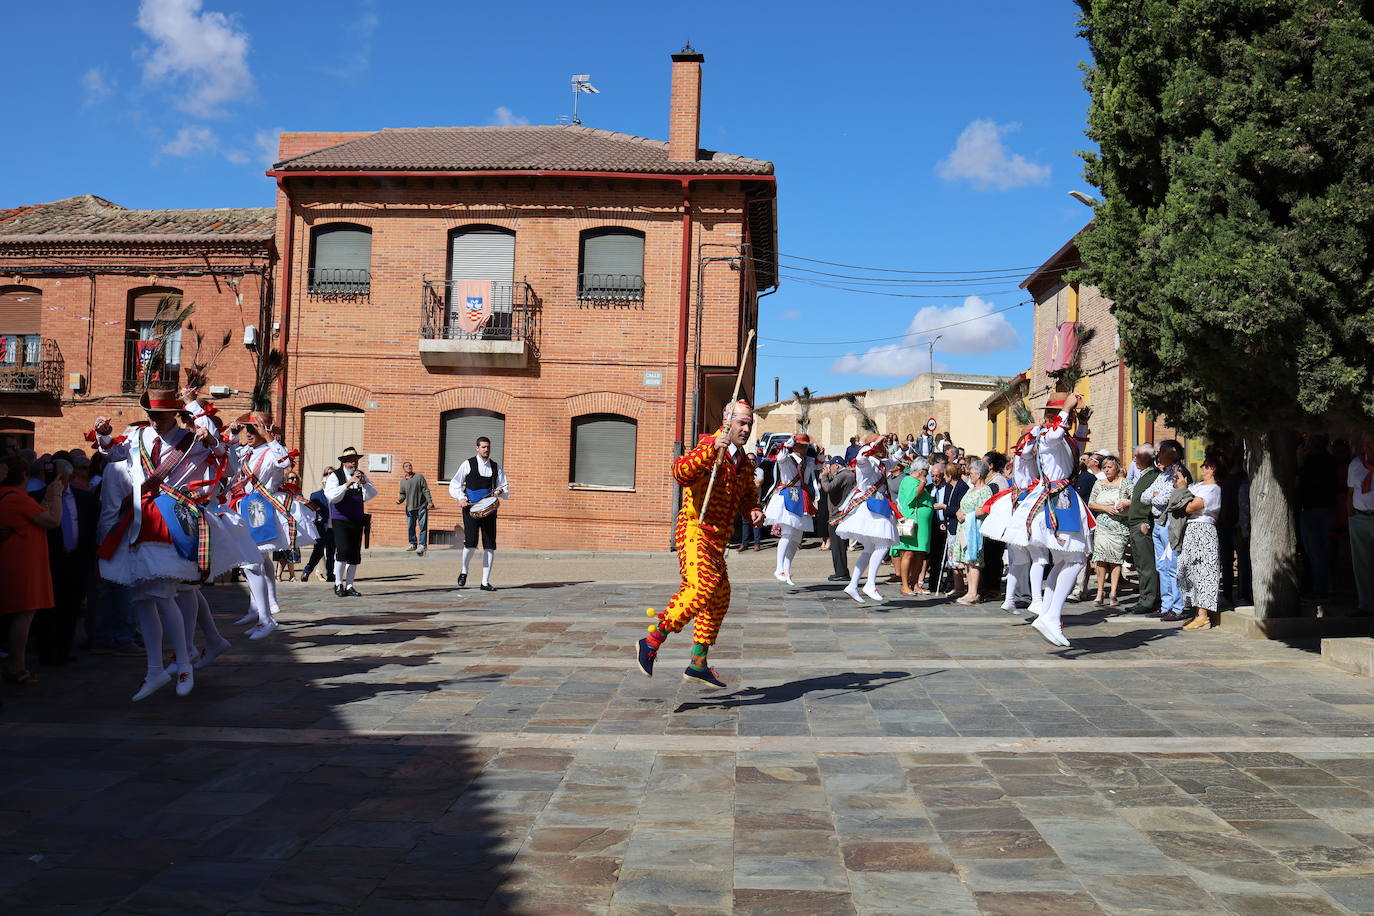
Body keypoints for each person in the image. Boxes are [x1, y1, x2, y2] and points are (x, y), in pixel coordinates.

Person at [93, 388, 234, 700]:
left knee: (165, 592)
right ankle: (155, 669)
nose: (155, 420)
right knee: (143, 597)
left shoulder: (191, 440)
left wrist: (212, 442)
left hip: (173, 520)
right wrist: (104, 437)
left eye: (161, 414)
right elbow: (114, 456)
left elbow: (227, 462)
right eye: (151, 414)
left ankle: (184, 662)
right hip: (142, 519)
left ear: (174, 413)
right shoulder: (138, 436)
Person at [637, 400, 763, 689]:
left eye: (749, 425)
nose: (746, 429)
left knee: (719, 598)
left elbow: (745, 497)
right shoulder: (709, 445)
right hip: (695, 530)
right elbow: (680, 472)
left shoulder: (744, 462)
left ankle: (698, 663)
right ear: (727, 420)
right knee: (701, 587)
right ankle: (651, 641)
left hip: (718, 539)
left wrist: (753, 510)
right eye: (742, 423)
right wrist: (709, 450)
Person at [1007, 392, 1094, 646]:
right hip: (1059, 499)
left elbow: (1078, 445)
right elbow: (1056, 433)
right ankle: (1052, 616)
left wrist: (1084, 421)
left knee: (1068, 558)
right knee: (1076, 558)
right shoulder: (1047, 436)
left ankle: (1047, 612)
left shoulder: (1062, 437)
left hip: (1064, 496)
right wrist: (1067, 407)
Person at [228, 412, 318, 633]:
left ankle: (265, 612)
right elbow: (229, 465)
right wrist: (231, 435)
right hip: (248, 506)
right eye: (246, 429)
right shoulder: (246, 452)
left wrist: (269, 438)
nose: (248, 433)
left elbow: (285, 462)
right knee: (258, 557)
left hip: (263, 507)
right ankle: (259, 606)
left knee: (253, 558)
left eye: (253, 429)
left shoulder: (271, 450)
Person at [0, 455, 63, 687]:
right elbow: (53, 520)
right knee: (24, 614)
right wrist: (56, 492)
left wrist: (47, 498)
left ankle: (15, 664)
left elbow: (37, 516)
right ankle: (16, 666)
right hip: (22, 565)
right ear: (24, 475)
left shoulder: (12, 498)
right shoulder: (16, 498)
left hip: (19, 562)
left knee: (21, 614)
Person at [34, 458, 98, 667]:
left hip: (76, 560)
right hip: (49, 560)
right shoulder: (37, 498)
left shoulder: (85, 499)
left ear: (70, 477)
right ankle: (46, 651)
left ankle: (64, 649)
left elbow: (91, 527)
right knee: (48, 608)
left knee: (70, 607)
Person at [980, 428, 1043, 613]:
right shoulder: (1024, 459)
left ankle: (1012, 597)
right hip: (1024, 510)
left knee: (1020, 560)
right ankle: (1030, 597)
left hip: (1020, 510)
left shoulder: (1023, 460)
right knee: (1036, 557)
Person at [835, 435, 899, 603]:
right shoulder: (867, 463)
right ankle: (870, 584)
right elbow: (860, 458)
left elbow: (896, 459)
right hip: (871, 506)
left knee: (870, 547)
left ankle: (853, 584)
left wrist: (902, 447)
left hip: (879, 506)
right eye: (882, 445)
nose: (884, 447)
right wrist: (872, 444)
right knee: (884, 544)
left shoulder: (882, 463)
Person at [450, 436, 510, 591]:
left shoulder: (496, 467)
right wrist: (461, 498)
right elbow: (455, 483)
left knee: (490, 546)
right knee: (470, 543)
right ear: (477, 448)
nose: (486, 450)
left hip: (489, 510)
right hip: (470, 509)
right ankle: (464, 570)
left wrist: (500, 490)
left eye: (488, 447)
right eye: (483, 447)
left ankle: (485, 582)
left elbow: (503, 485)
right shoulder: (467, 464)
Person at [1142, 439, 1188, 621]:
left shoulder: (1179, 473)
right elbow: (1145, 496)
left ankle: (1177, 607)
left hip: (1170, 522)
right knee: (1161, 566)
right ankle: (1165, 605)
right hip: (1157, 523)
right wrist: (1156, 496)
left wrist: (1156, 496)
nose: (1158, 455)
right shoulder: (1163, 474)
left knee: (1172, 566)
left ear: (1173, 453)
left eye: (1161, 451)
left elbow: (1169, 499)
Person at [1178, 454, 1225, 630]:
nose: (1202, 468)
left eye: (1206, 465)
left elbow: (1191, 506)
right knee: (1187, 570)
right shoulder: (1197, 486)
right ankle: (1196, 612)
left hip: (1204, 529)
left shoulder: (1213, 489)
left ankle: (1203, 616)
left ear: (1213, 468)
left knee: (1203, 570)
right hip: (1191, 529)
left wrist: (1183, 492)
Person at [763, 434, 815, 586]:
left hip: (801, 498)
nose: (804, 448)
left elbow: (816, 465)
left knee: (796, 537)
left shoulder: (806, 462)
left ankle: (786, 570)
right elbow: (780, 457)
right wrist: (789, 442)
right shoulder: (787, 459)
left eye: (806, 446)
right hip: (787, 496)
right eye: (801, 445)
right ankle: (778, 568)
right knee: (787, 533)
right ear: (795, 445)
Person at [324, 447, 377, 597]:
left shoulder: (361, 476)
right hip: (340, 519)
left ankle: (350, 585)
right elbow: (331, 496)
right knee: (343, 551)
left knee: (354, 554)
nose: (354, 462)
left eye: (355, 460)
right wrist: (348, 483)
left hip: (357, 518)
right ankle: (338, 583)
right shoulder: (335, 476)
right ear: (344, 462)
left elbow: (372, 494)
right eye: (351, 460)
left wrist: (364, 482)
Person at [1297, 435, 1340, 600]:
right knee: (1313, 551)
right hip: (1315, 509)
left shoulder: (1318, 461)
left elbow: (1301, 480)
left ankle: (1319, 589)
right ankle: (1316, 586)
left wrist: (1300, 461)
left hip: (1317, 510)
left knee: (1316, 552)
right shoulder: (1327, 461)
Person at [1088, 455, 1131, 606]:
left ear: (1117, 468)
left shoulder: (1126, 483)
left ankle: (1113, 593)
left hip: (1119, 527)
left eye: (1109, 467)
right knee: (1100, 558)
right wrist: (1105, 508)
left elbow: (1135, 500)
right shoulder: (1099, 484)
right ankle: (1100, 592)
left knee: (1115, 559)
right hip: (1102, 527)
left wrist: (1125, 503)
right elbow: (1091, 503)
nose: (1106, 470)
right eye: (1104, 467)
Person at [952, 459, 994, 605]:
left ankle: (974, 592)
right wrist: (959, 512)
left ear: (978, 474)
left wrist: (967, 515)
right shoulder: (971, 489)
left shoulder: (985, 490)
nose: (969, 476)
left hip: (974, 529)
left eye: (971, 473)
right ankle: (969, 591)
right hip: (964, 528)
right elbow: (963, 505)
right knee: (967, 561)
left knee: (974, 561)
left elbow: (984, 509)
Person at [891, 458, 933, 596]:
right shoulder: (909, 480)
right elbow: (912, 497)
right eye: (926, 472)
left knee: (920, 554)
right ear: (921, 471)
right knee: (908, 553)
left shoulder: (919, 481)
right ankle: (905, 585)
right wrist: (922, 483)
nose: (927, 475)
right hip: (911, 523)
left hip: (922, 525)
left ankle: (915, 584)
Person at [1348, 430, 1374, 616]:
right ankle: (1365, 605)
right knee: (1361, 564)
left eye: (1371, 443)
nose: (1368, 447)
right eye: (1366, 443)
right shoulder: (1356, 464)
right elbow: (1350, 492)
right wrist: (1351, 515)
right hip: (1359, 518)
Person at [821, 456, 856, 581]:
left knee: (837, 546)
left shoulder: (843, 475)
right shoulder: (848, 475)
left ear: (836, 466)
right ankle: (841, 571)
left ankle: (841, 572)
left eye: (830, 466)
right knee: (838, 546)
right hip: (841, 514)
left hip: (838, 515)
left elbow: (828, 488)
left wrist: (824, 477)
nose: (829, 469)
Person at [302, 467, 336, 583]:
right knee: (318, 551)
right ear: (323, 481)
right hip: (321, 527)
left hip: (334, 527)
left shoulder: (337, 494)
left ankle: (331, 574)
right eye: (328, 474)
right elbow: (311, 511)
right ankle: (307, 571)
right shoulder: (316, 495)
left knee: (331, 552)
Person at [397, 460, 435, 556]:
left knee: (423, 526)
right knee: (411, 527)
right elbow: (402, 494)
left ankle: (422, 545)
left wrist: (430, 502)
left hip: (421, 506)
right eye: (406, 466)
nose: (409, 467)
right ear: (404, 469)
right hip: (410, 507)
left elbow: (425, 490)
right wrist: (400, 500)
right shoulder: (402, 481)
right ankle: (413, 544)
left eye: (410, 465)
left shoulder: (419, 477)